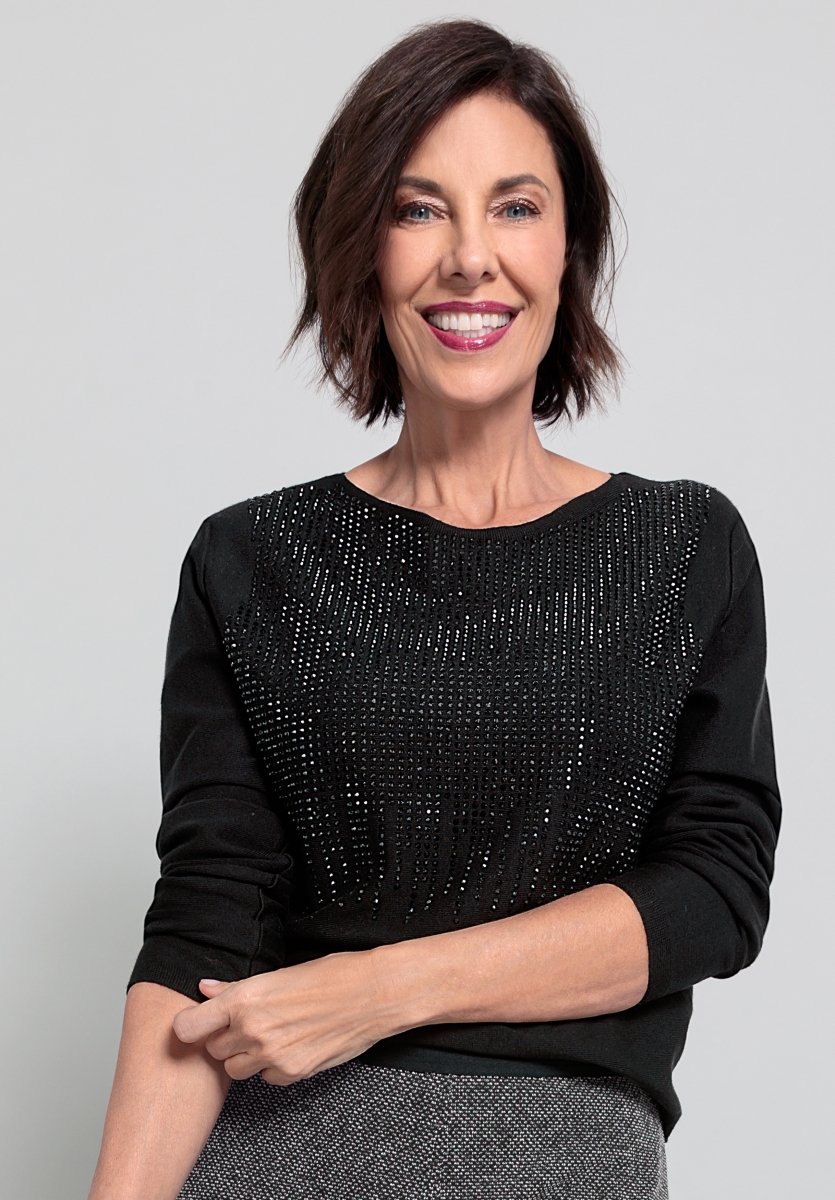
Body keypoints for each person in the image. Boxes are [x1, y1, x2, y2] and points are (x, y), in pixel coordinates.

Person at [88, 19, 780, 1200]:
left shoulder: (682, 547)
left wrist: (378, 990)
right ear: (361, 249)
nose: (469, 257)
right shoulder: (251, 559)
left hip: (564, 1157)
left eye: (514, 207)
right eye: (418, 210)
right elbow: (205, 929)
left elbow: (711, 895)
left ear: (569, 246)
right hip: (277, 1155)